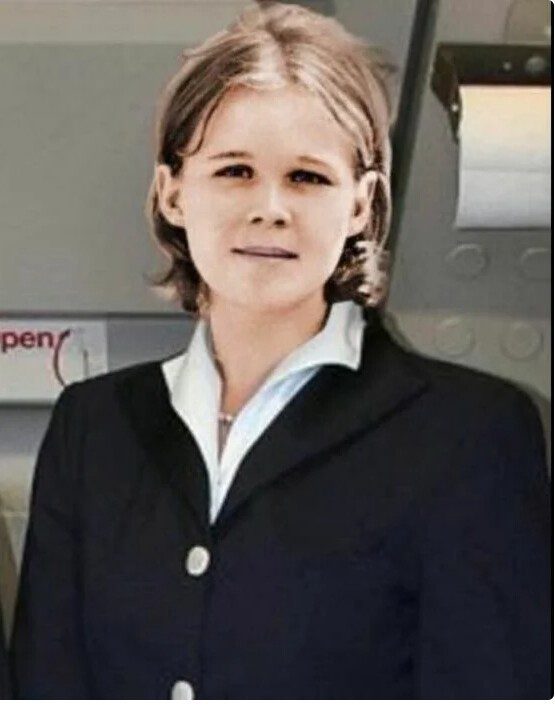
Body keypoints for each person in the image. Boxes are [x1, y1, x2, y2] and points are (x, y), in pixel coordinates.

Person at [10, 2, 551, 698]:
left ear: (359, 205)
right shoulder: (92, 427)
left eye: (307, 177)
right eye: (234, 171)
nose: (270, 207)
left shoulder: (470, 434)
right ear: (172, 193)